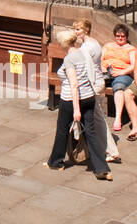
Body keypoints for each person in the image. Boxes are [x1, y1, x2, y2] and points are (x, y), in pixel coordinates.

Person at [46, 26, 113, 181]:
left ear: (63, 43)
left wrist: (76, 109)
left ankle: (56, 162)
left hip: (71, 100)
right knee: (91, 133)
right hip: (89, 97)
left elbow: (74, 85)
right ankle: (102, 168)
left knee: (62, 130)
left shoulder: (69, 59)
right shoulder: (83, 52)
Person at [74, 19, 120, 165]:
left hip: (91, 84)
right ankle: (93, 148)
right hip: (97, 83)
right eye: (75, 29)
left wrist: (85, 85)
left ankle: (109, 151)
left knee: (95, 119)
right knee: (95, 117)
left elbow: (87, 69)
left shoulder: (87, 47)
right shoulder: (94, 43)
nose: (75, 32)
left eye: (78, 29)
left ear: (85, 30)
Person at [102, 24, 137, 135]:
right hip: (106, 73)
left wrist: (120, 72)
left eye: (122, 36)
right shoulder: (108, 46)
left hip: (124, 74)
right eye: (118, 36)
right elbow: (99, 59)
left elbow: (134, 66)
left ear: (126, 37)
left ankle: (118, 119)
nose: (120, 38)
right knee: (93, 83)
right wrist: (102, 67)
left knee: (118, 88)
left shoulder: (131, 49)